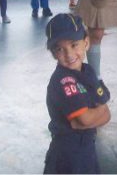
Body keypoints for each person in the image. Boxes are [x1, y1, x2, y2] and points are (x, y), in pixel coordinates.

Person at [44, 14, 110, 174]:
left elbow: (106, 116)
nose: (69, 54)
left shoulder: (88, 72)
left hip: (86, 148)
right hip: (68, 153)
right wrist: (100, 110)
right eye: (60, 49)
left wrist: (95, 114)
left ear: (86, 43)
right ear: (54, 54)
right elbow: (84, 120)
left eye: (74, 45)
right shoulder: (64, 80)